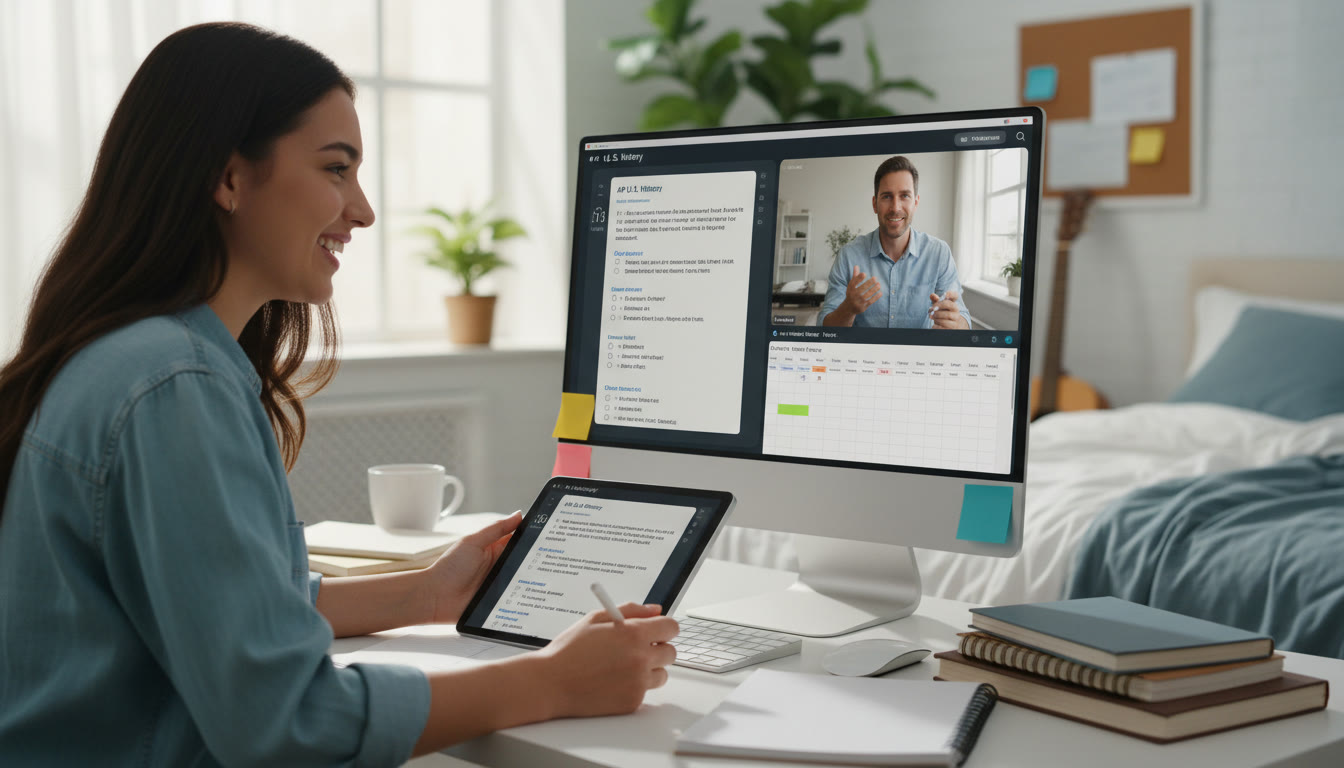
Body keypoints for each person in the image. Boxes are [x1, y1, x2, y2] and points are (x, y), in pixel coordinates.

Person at [0, 22, 677, 766]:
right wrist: (554, 682)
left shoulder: (130, 357)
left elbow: (217, 607)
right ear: (228, 178)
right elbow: (288, 722)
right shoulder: (172, 387)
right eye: (335, 169)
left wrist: (424, 593)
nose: (362, 210)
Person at [819, 155, 971, 329]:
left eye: (905, 195)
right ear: (875, 204)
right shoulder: (848, 255)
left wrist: (954, 320)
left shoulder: (939, 253)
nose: (896, 208)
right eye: (886, 197)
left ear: (916, 202)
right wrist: (848, 309)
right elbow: (824, 328)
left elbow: (964, 321)